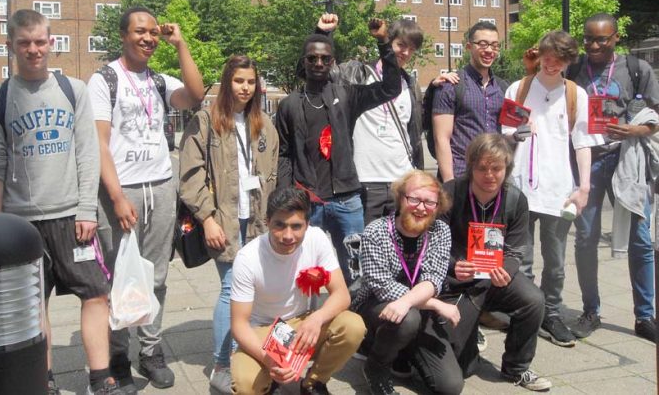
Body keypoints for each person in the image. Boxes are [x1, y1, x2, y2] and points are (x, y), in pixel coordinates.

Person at [0, 9, 124, 395]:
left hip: (72, 218)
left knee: (96, 293)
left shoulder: (71, 90)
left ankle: (100, 378)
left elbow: (87, 154)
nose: (33, 49)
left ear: (52, 43)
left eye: (40, 41)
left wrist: (87, 210)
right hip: (21, 225)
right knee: (32, 306)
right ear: (10, 46)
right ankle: (43, 381)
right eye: (24, 43)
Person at [88, 6, 205, 392]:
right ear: (124, 34)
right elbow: (100, 144)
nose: (148, 38)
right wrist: (117, 197)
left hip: (160, 187)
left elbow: (195, 94)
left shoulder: (159, 80)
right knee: (120, 276)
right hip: (121, 192)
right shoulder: (104, 79)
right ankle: (118, 354)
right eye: (140, 32)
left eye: (154, 33)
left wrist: (181, 44)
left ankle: (151, 351)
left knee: (156, 275)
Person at [275, 15, 401, 283]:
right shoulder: (289, 105)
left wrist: (383, 43)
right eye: (312, 59)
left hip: (347, 201)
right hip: (307, 202)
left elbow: (391, 88)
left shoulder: (347, 95)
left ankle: (354, 321)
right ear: (304, 62)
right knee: (303, 271)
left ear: (332, 63)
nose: (318, 63)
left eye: (325, 59)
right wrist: (285, 198)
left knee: (355, 272)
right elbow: (284, 155)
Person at [179, 55, 279, 393]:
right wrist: (207, 219)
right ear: (227, 82)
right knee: (230, 290)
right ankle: (222, 364)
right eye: (238, 81)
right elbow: (190, 176)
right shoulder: (207, 121)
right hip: (223, 219)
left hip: (258, 222)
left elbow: (273, 172)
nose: (245, 88)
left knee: (253, 290)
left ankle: (244, 354)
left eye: (250, 82)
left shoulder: (264, 123)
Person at [502, 31, 602, 348]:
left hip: (559, 191)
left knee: (556, 262)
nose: (551, 63)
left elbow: (583, 143)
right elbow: (505, 136)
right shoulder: (518, 89)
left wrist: (584, 187)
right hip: (520, 189)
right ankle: (526, 312)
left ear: (568, 62)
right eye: (547, 55)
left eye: (558, 58)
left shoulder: (576, 95)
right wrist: (518, 132)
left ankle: (552, 313)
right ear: (539, 53)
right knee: (522, 259)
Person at [567, 13, 659, 341]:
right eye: (588, 38)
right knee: (586, 238)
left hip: (627, 161)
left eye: (601, 39)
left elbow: (656, 117)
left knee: (640, 239)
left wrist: (634, 129)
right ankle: (591, 310)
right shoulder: (574, 68)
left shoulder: (637, 68)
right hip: (588, 161)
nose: (593, 45)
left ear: (615, 37)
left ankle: (645, 317)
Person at [229, 187, 366, 395]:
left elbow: (341, 294)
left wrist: (317, 318)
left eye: (296, 226)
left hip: (303, 321)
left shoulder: (317, 238)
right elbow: (239, 325)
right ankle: (270, 383)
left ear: (307, 224)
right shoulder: (247, 258)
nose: (288, 236)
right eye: (279, 225)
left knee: (353, 326)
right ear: (267, 221)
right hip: (264, 329)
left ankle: (313, 383)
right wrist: (269, 360)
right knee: (245, 384)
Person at [441, 133, 552, 392]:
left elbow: (515, 250)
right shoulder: (451, 192)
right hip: (457, 278)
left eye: (496, 168)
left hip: (493, 275)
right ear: (471, 167)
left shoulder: (515, 199)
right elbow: (434, 243)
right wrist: (452, 264)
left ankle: (517, 368)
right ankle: (466, 344)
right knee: (463, 368)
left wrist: (506, 271)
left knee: (533, 300)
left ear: (506, 169)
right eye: (482, 168)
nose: (489, 175)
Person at [352, 169, 462, 395]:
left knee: (450, 387)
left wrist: (409, 302)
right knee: (408, 319)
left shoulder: (440, 231)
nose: (421, 208)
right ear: (401, 199)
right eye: (414, 199)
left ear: (438, 206)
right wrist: (435, 304)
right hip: (377, 305)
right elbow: (382, 286)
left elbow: (433, 279)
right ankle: (376, 366)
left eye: (429, 202)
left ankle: (405, 351)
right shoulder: (376, 231)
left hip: (416, 308)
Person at [330, 17, 424, 224]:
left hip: (402, 180)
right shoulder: (358, 74)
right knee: (363, 248)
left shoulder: (410, 85)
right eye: (400, 45)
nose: (405, 53)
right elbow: (326, 70)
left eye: (411, 49)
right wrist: (323, 33)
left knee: (399, 248)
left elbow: (415, 133)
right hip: (366, 179)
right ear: (388, 42)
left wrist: (436, 87)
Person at [432, 21, 507, 181]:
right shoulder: (452, 85)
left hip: (493, 179)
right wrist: (449, 182)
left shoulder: (502, 88)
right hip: (461, 176)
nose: (489, 50)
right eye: (482, 44)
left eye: (494, 45)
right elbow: (441, 138)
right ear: (468, 47)